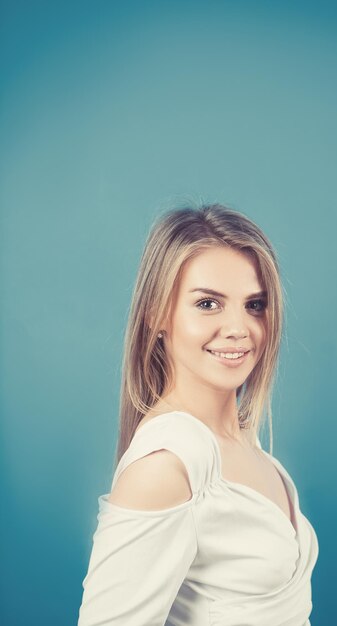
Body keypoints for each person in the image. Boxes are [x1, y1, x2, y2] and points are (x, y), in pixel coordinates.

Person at [77, 202, 319, 626]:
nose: (239, 328)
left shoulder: (244, 440)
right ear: (157, 314)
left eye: (255, 304)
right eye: (208, 304)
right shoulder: (167, 466)